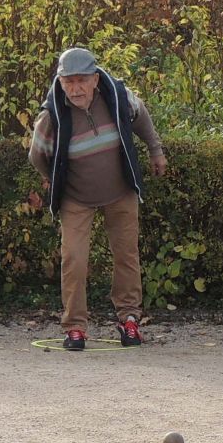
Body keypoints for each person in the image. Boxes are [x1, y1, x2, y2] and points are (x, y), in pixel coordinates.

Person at [28, 47, 167, 351]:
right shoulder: (53, 114)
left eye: (81, 81)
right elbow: (36, 153)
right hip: (76, 197)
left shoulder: (117, 96)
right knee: (74, 260)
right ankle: (75, 327)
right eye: (68, 82)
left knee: (126, 255)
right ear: (60, 82)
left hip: (120, 191)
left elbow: (141, 116)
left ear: (94, 79)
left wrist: (156, 150)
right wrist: (51, 176)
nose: (75, 89)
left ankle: (129, 319)